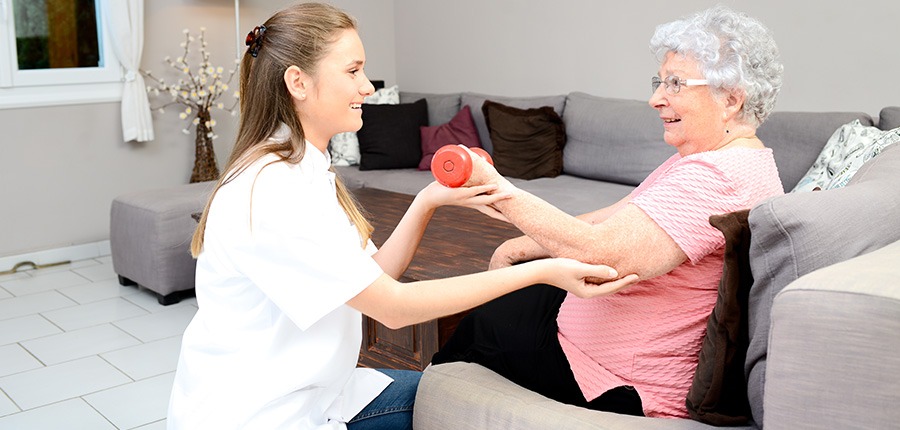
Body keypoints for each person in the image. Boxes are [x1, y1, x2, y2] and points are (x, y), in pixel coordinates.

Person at [165, 3, 629, 429]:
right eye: (353, 70)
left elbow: (374, 274)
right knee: (472, 404)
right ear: (298, 83)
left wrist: (427, 200)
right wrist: (541, 272)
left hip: (323, 395)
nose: (368, 86)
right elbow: (391, 306)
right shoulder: (272, 189)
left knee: (462, 388)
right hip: (264, 414)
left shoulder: (304, 170)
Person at [431, 5, 786, 419]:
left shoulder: (718, 176)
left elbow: (603, 253)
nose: (656, 98)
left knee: (479, 325)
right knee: (506, 296)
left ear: (730, 99)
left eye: (675, 83)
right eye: (659, 81)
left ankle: (423, 407)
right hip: (592, 336)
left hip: (619, 377)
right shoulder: (713, 157)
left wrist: (498, 189)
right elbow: (607, 217)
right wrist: (520, 244)